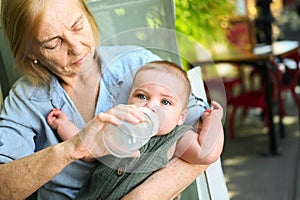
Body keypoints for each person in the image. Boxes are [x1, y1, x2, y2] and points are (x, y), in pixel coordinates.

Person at [0, 0, 224, 199]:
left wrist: (142, 196)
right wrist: (72, 148)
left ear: (88, 15)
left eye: (78, 26)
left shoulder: (139, 65)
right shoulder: (25, 100)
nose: (77, 49)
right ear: (30, 53)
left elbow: (205, 140)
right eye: (52, 43)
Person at [47, 61, 223, 199]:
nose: (150, 106)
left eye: (165, 102)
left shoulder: (176, 139)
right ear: (129, 100)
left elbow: (205, 153)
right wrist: (64, 125)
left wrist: (213, 119)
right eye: (142, 96)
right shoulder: (118, 126)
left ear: (180, 117)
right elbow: (88, 149)